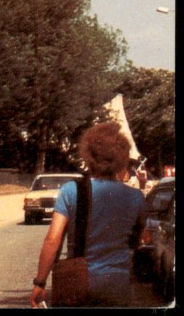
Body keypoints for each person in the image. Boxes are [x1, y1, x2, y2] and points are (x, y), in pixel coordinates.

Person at [29, 121, 146, 308]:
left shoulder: (71, 191)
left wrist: (40, 283)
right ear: (122, 158)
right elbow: (136, 241)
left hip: (78, 283)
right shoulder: (136, 197)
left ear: (89, 155)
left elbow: (53, 240)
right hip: (118, 285)